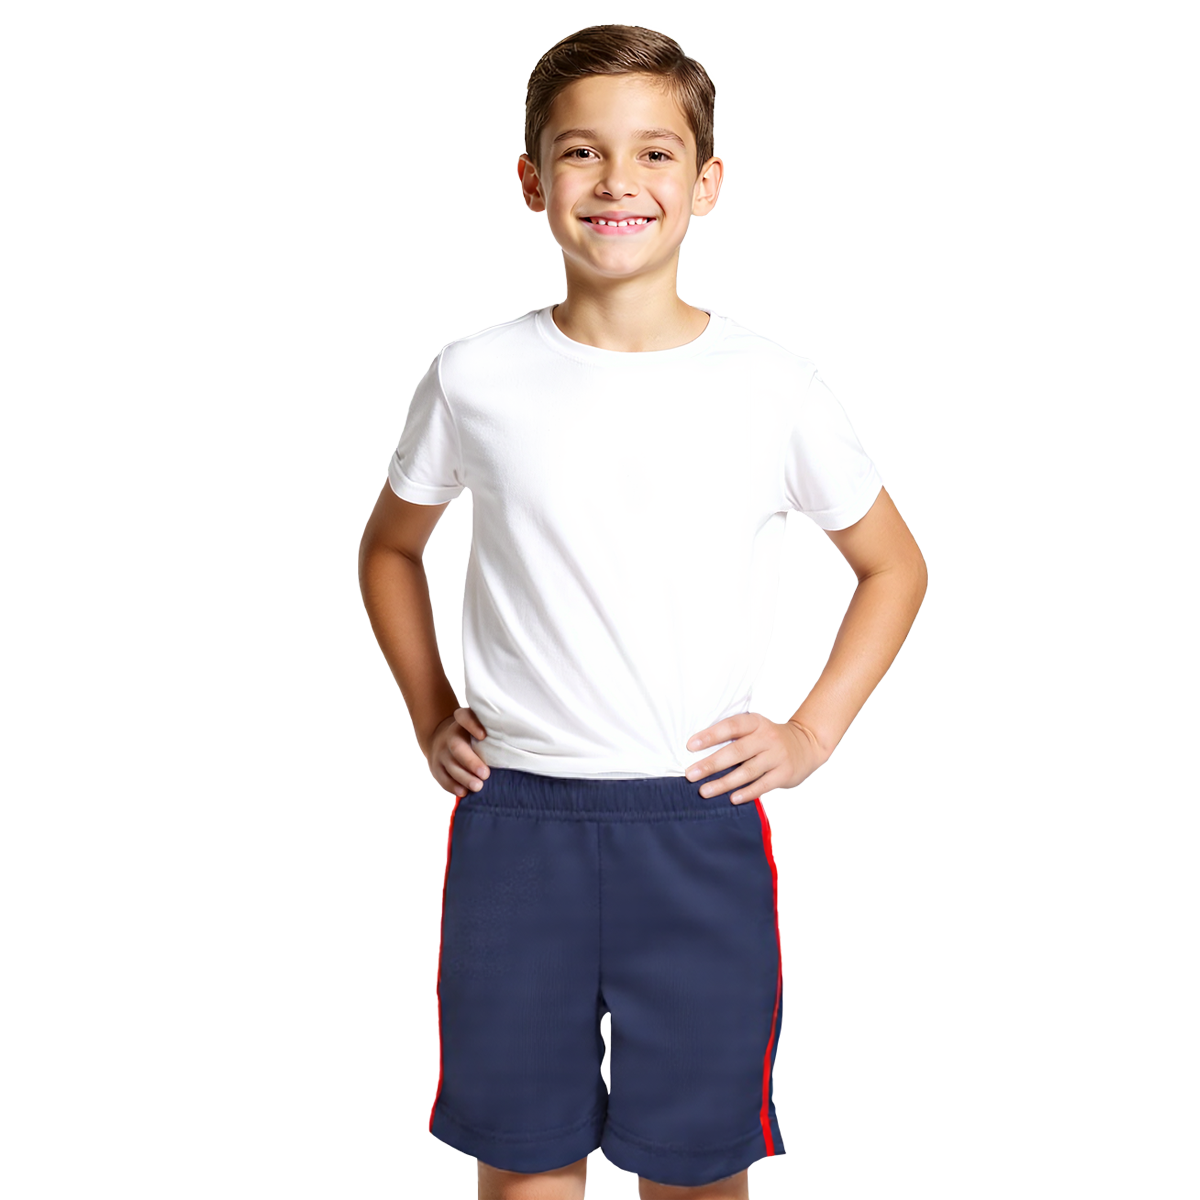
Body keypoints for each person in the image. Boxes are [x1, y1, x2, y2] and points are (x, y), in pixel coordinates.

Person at [358, 23, 927, 1200]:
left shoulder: (773, 390)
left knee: (702, 1169)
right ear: (533, 182)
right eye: (582, 151)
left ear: (706, 185)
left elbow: (892, 568)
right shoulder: (473, 379)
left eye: (656, 153)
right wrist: (427, 710)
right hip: (517, 823)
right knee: (528, 1165)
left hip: (694, 820)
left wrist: (810, 730)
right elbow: (391, 550)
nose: (618, 181)